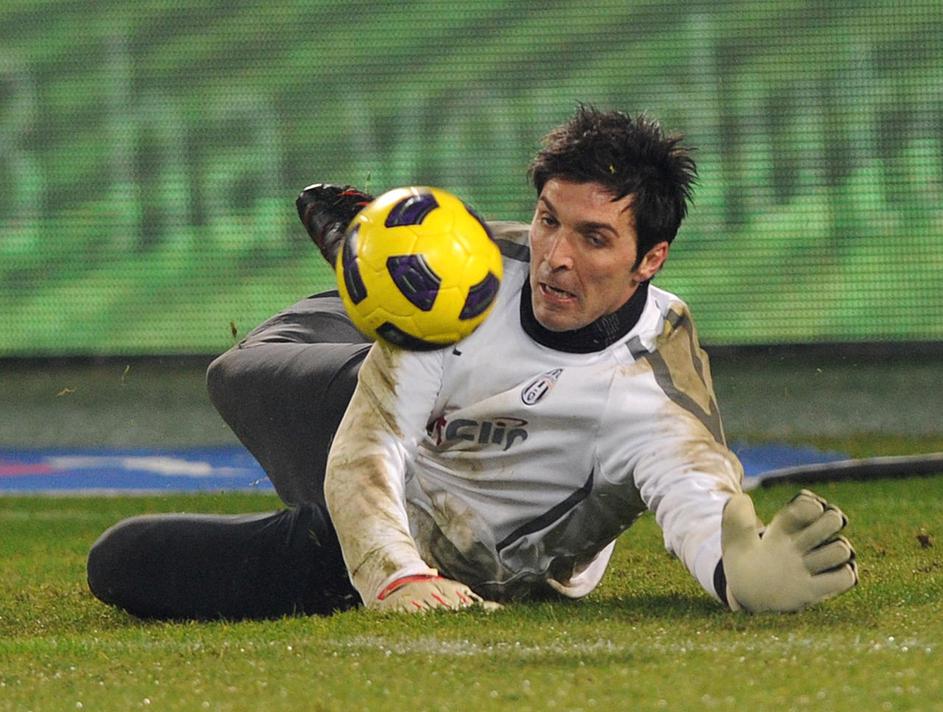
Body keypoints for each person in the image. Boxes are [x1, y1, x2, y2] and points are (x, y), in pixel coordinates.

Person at [86, 106, 857, 619]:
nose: (556, 258)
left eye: (593, 238)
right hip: (381, 469)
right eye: (549, 220)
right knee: (240, 373)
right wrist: (394, 575)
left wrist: (737, 575)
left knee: (121, 562)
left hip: (472, 560)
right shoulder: (477, 284)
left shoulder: (651, 382)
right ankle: (380, 254)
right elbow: (367, 448)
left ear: (649, 258)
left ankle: (380, 252)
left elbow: (695, 491)